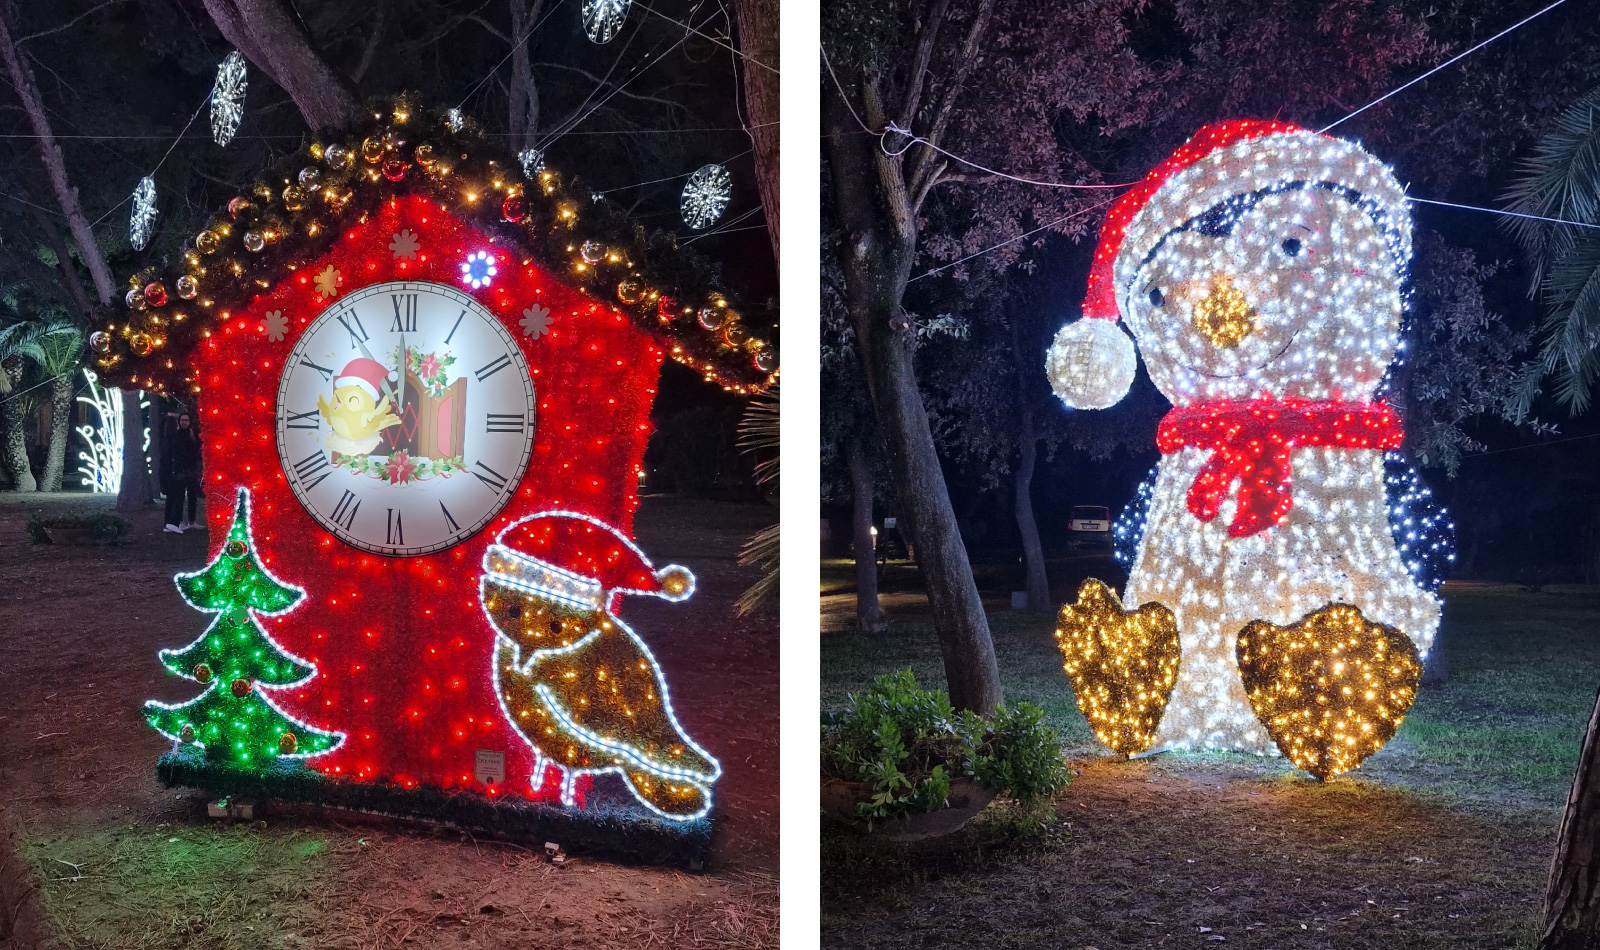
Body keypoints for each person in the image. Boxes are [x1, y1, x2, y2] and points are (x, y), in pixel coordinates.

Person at [163, 411, 202, 533]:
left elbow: (196, 451)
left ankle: (191, 521)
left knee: (192, 496)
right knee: (178, 496)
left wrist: (193, 440)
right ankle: (176, 522)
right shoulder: (176, 435)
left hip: (191, 469)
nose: (184, 422)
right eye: (182, 420)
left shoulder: (193, 435)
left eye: (186, 420)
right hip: (181, 470)